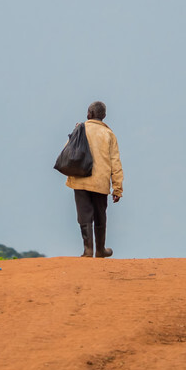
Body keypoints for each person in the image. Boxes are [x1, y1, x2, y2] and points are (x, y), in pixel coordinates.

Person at [65, 101, 123, 258]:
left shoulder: (80, 129)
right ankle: (100, 250)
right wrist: (117, 187)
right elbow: (115, 162)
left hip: (80, 179)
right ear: (103, 116)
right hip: (100, 182)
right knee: (100, 215)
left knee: (84, 216)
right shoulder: (109, 135)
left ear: (88, 114)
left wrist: (74, 133)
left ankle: (87, 249)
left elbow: (68, 151)